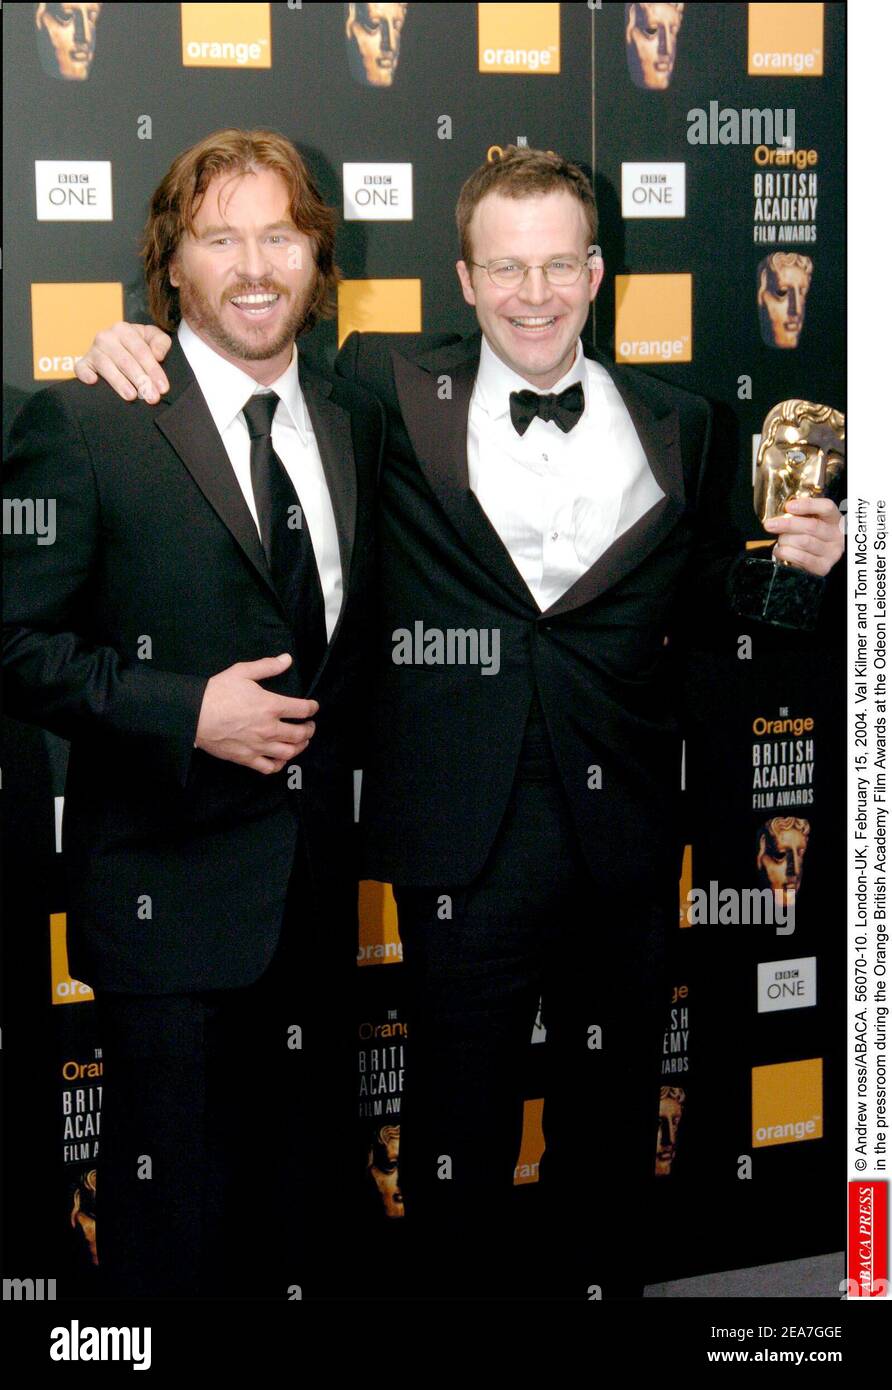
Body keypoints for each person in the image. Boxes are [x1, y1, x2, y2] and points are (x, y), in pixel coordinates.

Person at [74, 145, 844, 1300]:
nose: (532, 294)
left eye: (556, 266)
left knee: (610, 1141)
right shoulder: (382, 393)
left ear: (596, 274)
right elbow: (235, 362)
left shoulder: (682, 425)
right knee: (453, 1149)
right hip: (459, 850)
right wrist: (124, 344)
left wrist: (802, 571)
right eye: (504, 268)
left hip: (623, 849)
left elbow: (698, 614)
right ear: (465, 279)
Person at [4, 127, 383, 1299]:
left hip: (317, 904)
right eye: (221, 238)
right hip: (162, 905)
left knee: (296, 1212)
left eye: (280, 235)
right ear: (171, 266)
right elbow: (14, 642)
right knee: (172, 1229)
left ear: (318, 260)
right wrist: (186, 711)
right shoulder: (92, 419)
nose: (254, 266)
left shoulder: (356, 415)